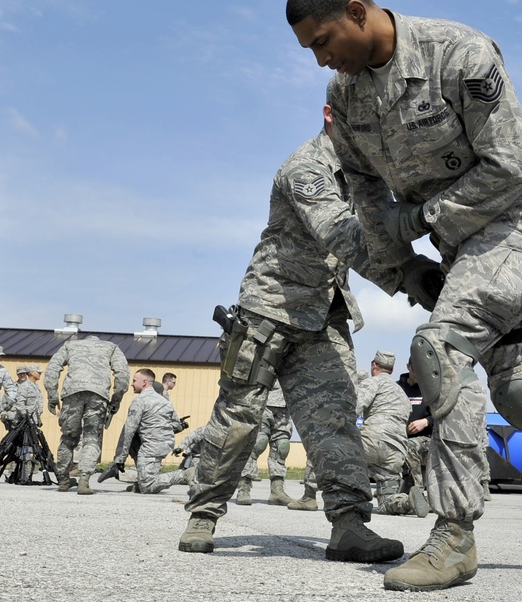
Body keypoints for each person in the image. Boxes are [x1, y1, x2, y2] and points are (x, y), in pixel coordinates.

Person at [287, 0, 522, 590]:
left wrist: (420, 218)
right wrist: (406, 267)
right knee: (517, 391)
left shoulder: (459, 54)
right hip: (456, 251)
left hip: (512, 228)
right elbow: (366, 193)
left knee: (441, 351)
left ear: (356, 11)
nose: (320, 60)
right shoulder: (347, 98)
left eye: (322, 41)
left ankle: (454, 534)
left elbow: (506, 167)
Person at [178, 91, 421, 564]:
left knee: (335, 421)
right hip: (269, 311)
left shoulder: (367, 174)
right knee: (239, 417)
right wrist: (409, 272)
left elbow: (389, 220)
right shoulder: (304, 167)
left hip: (323, 317)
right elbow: (342, 234)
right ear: (329, 116)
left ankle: (350, 526)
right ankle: (203, 515)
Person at [43, 334, 130, 495]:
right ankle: (84, 480)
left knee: (68, 437)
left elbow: (52, 369)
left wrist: (52, 395)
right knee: (92, 438)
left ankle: (63, 480)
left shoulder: (70, 345)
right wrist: (116, 400)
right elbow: (122, 375)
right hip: (98, 395)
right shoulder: (111, 347)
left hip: (72, 393)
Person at [356, 350, 428, 517]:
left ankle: (310, 495)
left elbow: (353, 408)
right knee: (387, 502)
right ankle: (406, 502)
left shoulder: (373, 383)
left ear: (374, 365)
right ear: (392, 370)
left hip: (372, 441)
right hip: (396, 451)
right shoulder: (401, 392)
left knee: (337, 456)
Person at [107, 368, 181, 494]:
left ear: (144, 382)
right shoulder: (165, 401)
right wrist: (160, 430)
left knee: (148, 487)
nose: (132, 384)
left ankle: (185, 474)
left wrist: (120, 457)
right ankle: (141, 482)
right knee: (145, 482)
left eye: (134, 381)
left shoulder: (139, 401)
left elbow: (128, 431)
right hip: (164, 444)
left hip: (150, 447)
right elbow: (177, 425)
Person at [235, 380, 297, 506]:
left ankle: (277, 491)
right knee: (258, 443)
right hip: (262, 401)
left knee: (282, 447)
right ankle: (244, 489)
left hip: (285, 405)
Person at [397, 360, 432, 492]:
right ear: (408, 367)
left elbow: (443, 414)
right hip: (400, 436)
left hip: (428, 439)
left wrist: (426, 421)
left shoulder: (430, 389)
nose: (417, 373)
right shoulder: (397, 388)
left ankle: (416, 490)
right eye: (414, 369)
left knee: (410, 446)